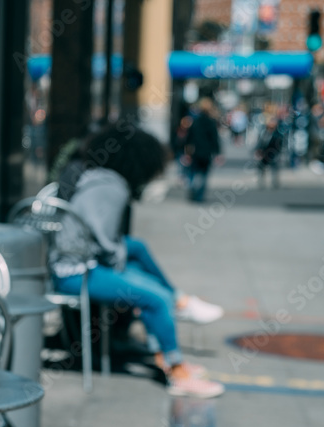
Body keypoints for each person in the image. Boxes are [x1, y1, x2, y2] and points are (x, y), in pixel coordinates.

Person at [52, 124, 226, 398]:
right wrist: (128, 272)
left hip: (75, 265)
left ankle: (173, 328)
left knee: (145, 273)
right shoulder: (113, 186)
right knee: (154, 298)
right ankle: (177, 370)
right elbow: (107, 244)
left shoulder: (97, 177)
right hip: (76, 273)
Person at [183, 98, 222, 202]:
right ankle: (199, 195)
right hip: (207, 153)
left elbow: (189, 138)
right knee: (203, 175)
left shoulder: (195, 122)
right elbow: (215, 139)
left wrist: (187, 151)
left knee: (193, 172)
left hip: (195, 152)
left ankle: (192, 189)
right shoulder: (211, 122)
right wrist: (218, 153)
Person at [255, 116, 284, 189]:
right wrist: (258, 151)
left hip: (273, 153)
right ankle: (261, 182)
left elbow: (280, 145)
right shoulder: (263, 132)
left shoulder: (278, 134)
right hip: (264, 153)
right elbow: (259, 143)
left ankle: (275, 183)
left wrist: (279, 154)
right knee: (261, 168)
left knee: (274, 168)